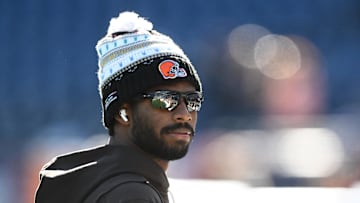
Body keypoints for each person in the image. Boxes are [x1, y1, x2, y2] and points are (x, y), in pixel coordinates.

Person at [35, 11, 203, 203]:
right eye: (165, 100)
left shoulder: (106, 185)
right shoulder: (133, 195)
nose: (184, 114)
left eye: (192, 101)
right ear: (123, 113)